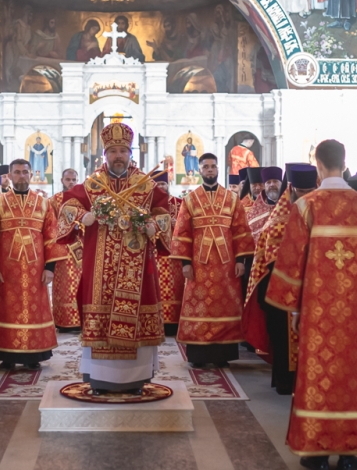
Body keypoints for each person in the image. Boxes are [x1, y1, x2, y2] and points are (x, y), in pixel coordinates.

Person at [266, 139, 357, 470]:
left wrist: (293, 309)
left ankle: (318, 452)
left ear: (319, 166)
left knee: (320, 377)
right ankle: (352, 452)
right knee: (356, 375)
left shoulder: (306, 206)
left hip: (318, 313)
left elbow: (292, 263)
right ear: (343, 162)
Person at [57, 123, 171, 394]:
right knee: (99, 307)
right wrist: (83, 216)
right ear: (105, 154)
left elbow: (165, 210)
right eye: (113, 151)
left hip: (138, 265)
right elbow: (67, 205)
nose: (118, 155)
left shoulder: (144, 183)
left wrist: (155, 225)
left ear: (130, 153)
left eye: (123, 150)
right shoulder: (93, 184)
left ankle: (136, 378)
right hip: (100, 266)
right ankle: (100, 378)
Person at [0, 159, 65, 369]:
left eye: (25, 172)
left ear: (31, 175)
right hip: (7, 272)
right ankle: (8, 355)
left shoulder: (43, 203)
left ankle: (35, 356)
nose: (21, 176)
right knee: (7, 309)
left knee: (35, 310)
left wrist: (50, 269)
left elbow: (52, 237)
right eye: (17, 172)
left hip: (36, 271)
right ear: (10, 176)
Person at [171, 153, 254, 367]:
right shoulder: (190, 199)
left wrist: (240, 261)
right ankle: (199, 355)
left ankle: (222, 355)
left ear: (218, 170)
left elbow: (241, 231)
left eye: (213, 166)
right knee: (199, 306)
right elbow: (182, 231)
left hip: (227, 266)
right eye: (206, 166)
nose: (210, 170)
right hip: (200, 264)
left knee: (225, 305)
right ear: (200, 170)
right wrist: (186, 263)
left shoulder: (232, 198)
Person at [244, 165, 318, 395]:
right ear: (292, 190)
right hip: (282, 291)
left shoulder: (323, 216)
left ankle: (313, 381)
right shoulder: (278, 221)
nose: (305, 197)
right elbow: (268, 260)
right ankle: (286, 381)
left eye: (310, 192)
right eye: (302, 192)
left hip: (317, 288)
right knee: (283, 337)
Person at [49, 168, 83, 333]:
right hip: (62, 249)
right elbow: (49, 224)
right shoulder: (54, 200)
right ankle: (63, 320)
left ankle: (79, 319)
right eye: (68, 179)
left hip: (81, 248)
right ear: (62, 180)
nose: (71, 182)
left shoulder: (83, 200)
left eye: (74, 179)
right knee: (63, 286)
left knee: (79, 284)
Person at [152, 170, 185, 337]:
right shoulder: (147, 205)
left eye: (163, 184)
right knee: (156, 287)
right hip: (155, 254)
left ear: (168, 185)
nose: (161, 187)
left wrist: (177, 222)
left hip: (174, 255)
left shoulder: (180, 203)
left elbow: (188, 223)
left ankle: (173, 324)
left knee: (175, 288)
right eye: (157, 184)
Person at [246, 166, 282, 244]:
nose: (272, 185)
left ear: (281, 184)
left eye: (275, 181)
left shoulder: (288, 205)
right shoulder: (254, 211)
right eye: (268, 182)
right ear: (265, 186)